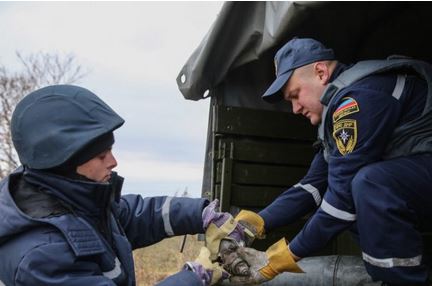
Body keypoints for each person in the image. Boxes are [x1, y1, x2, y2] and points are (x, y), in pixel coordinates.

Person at [227, 38, 432, 286]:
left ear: (321, 72)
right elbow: (312, 185)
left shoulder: (358, 98)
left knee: (369, 185)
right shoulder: (336, 110)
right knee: (361, 190)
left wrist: (282, 258)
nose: (294, 109)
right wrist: (256, 222)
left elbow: (340, 199)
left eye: (295, 95)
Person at [0, 85, 247, 286]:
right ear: (64, 161)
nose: (113, 162)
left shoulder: (76, 203)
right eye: (100, 155)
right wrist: (194, 278)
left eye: (111, 150)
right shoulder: (43, 255)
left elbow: (136, 215)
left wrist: (201, 214)